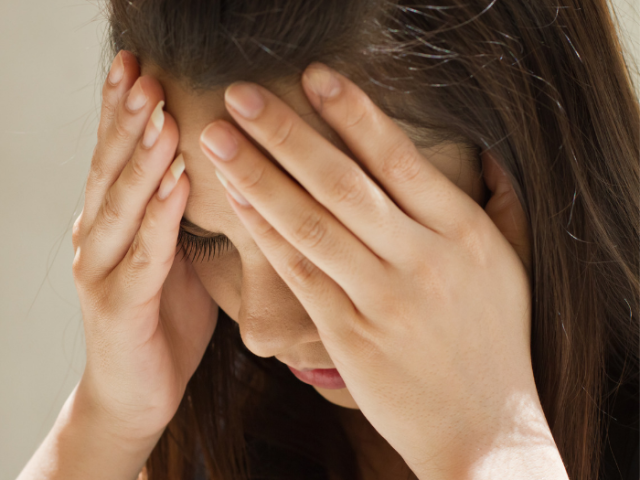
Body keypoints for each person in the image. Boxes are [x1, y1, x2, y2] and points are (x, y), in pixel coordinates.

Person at [17, 0, 639, 479]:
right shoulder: (239, 428)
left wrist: (492, 445)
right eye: (204, 237)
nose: (261, 329)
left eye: (334, 232)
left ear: (523, 153)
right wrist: (108, 424)